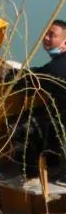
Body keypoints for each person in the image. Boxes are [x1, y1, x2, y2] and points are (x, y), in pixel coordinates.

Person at [18, 19, 66, 180]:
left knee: (22, 126)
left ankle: (32, 174)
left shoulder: (54, 69)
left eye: (52, 35)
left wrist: (6, 75)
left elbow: (24, 84)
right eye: (45, 33)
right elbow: (42, 73)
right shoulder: (56, 65)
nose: (46, 37)